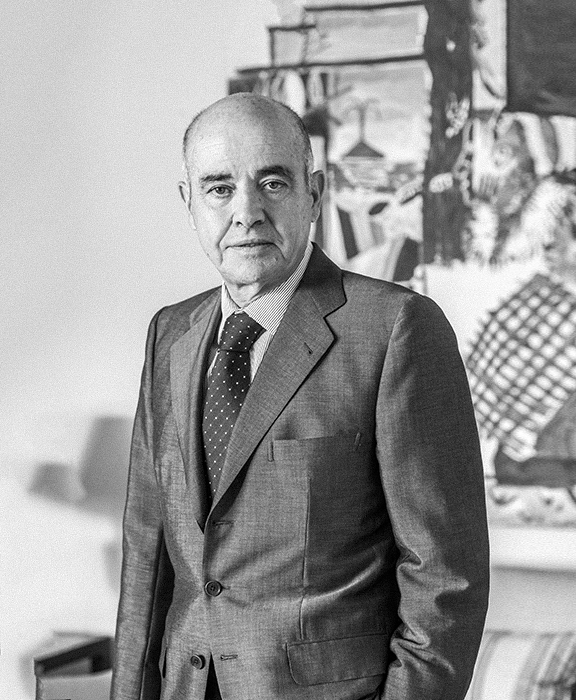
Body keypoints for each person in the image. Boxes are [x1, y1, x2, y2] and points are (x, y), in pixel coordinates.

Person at [111, 93, 489, 700]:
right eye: (219, 188)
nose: (247, 213)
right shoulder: (170, 333)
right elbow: (147, 553)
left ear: (314, 194)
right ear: (189, 202)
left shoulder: (396, 328)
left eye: (272, 183)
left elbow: (446, 579)